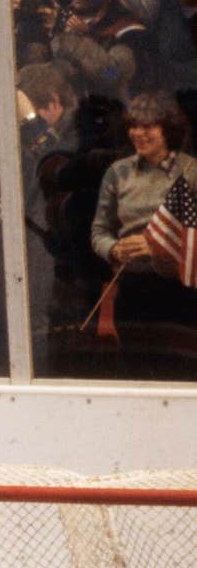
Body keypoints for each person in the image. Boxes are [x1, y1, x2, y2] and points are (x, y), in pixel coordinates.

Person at [89, 89, 197, 376]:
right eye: (133, 126)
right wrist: (113, 248)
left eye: (148, 126)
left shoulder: (191, 172)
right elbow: (99, 231)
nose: (138, 133)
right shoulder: (117, 172)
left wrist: (158, 247)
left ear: (168, 129)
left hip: (181, 293)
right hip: (132, 289)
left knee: (180, 373)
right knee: (136, 372)